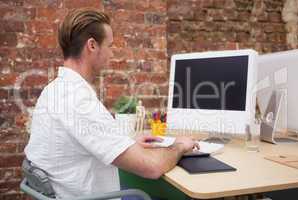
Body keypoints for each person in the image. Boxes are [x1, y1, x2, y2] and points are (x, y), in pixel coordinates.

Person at [24, 8, 199, 199]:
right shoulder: (78, 100)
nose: (112, 54)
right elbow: (153, 167)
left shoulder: (55, 90)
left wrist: (126, 143)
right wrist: (180, 145)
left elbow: (83, 139)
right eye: (110, 45)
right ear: (92, 45)